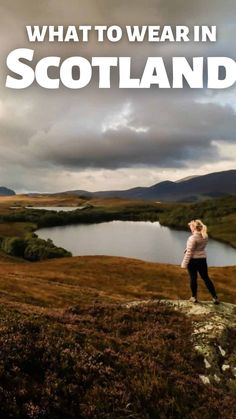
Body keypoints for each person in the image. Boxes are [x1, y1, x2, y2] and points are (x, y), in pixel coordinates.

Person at [181, 219, 219, 304]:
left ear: (194, 228)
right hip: (202, 260)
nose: (190, 229)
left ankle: (194, 297)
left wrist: (184, 263)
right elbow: (199, 247)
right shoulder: (205, 236)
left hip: (193, 261)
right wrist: (188, 248)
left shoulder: (192, 238)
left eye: (191, 227)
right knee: (206, 278)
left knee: (193, 278)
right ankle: (215, 297)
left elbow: (190, 252)